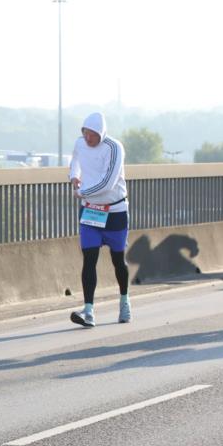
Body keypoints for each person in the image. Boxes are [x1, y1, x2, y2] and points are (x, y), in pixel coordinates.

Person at [68, 112, 130, 327]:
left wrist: (82, 192)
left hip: (114, 211)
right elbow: (75, 159)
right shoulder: (80, 143)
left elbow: (107, 184)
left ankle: (124, 301)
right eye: (85, 133)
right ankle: (88, 311)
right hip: (91, 212)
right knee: (89, 259)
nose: (88, 139)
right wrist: (73, 176)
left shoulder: (114, 148)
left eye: (93, 135)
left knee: (118, 260)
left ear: (101, 134)